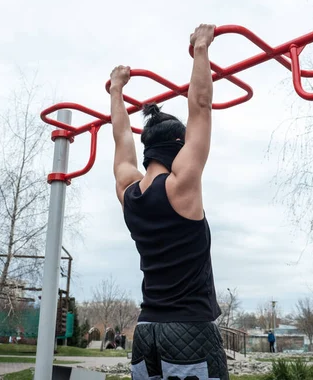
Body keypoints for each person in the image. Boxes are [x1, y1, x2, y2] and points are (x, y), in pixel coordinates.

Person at [109, 23, 228, 380]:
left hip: (146, 332)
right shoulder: (181, 188)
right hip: (189, 329)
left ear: (149, 150)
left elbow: (121, 142)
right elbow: (201, 107)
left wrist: (116, 91)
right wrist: (201, 48)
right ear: (178, 146)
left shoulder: (129, 193)